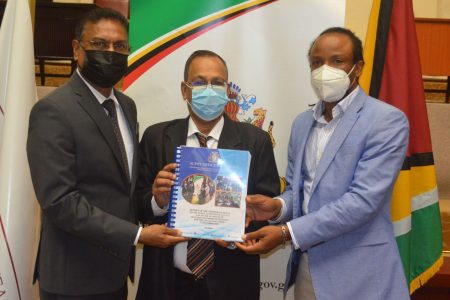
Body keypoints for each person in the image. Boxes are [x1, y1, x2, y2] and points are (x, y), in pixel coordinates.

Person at [237, 27, 410, 300]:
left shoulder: (386, 121)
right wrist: (277, 207)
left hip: (361, 272)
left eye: (337, 61)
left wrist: (286, 232)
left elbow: (362, 201)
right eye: (317, 62)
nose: (324, 69)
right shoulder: (302, 123)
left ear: (358, 67)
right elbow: (299, 189)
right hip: (307, 269)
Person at [27, 8, 186, 300]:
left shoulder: (126, 106)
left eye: (120, 46)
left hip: (114, 273)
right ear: (77, 49)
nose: (111, 53)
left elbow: (120, 188)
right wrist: (137, 235)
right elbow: (59, 201)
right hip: (72, 278)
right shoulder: (53, 111)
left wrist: (155, 200)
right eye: (100, 44)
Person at [135, 50, 280, 300]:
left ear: (227, 91)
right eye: (200, 82)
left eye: (218, 83)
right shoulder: (156, 137)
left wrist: (238, 229)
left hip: (231, 282)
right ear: (185, 90)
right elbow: (136, 207)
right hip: (166, 283)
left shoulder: (255, 142)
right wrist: (157, 200)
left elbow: (266, 212)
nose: (209, 90)